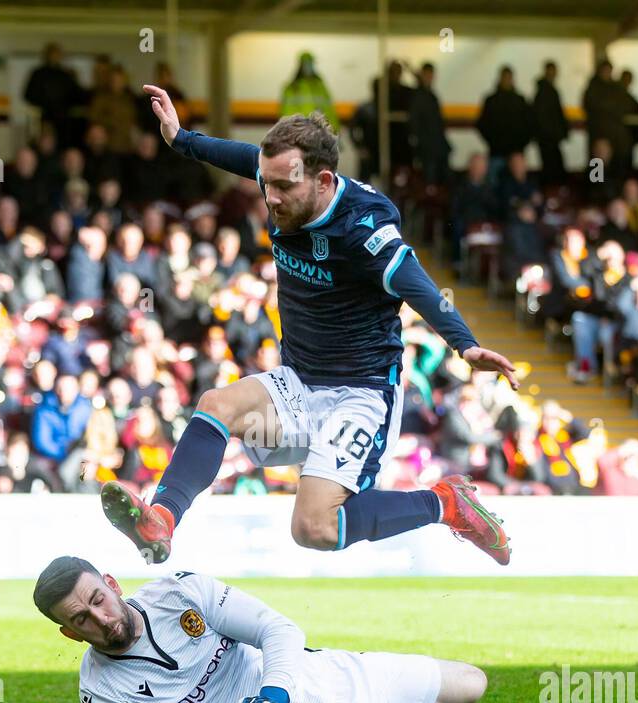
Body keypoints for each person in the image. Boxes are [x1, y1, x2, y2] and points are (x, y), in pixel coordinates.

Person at [99, 85, 518, 567]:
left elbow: (417, 285)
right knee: (216, 405)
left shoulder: (364, 226)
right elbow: (243, 158)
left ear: (322, 181)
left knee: (314, 528)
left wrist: (465, 345)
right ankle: (162, 519)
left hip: (361, 394)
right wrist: (180, 139)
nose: (270, 197)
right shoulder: (280, 183)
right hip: (299, 381)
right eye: (266, 182)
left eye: (283, 187)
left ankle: (445, 504)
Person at [32, 557, 597, 703]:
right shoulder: (100, 694)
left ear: (109, 581)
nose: (100, 618)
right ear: (69, 633)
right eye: (81, 618)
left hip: (317, 677)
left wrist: (277, 687)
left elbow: (280, 631)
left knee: (471, 683)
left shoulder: (184, 590)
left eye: (96, 599)